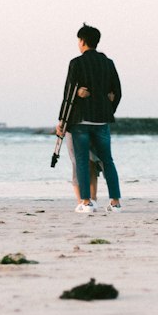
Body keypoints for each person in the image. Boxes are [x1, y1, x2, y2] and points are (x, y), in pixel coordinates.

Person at [56, 24, 122, 214]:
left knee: (82, 161)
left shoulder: (76, 63)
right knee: (107, 161)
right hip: (102, 121)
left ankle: (86, 202)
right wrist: (108, 108)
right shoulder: (108, 63)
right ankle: (115, 202)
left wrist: (63, 121)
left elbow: (68, 95)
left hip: (81, 121)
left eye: (79, 40)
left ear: (82, 41)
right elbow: (117, 92)